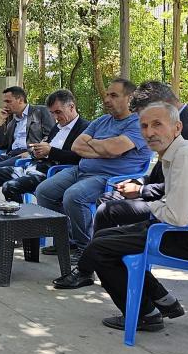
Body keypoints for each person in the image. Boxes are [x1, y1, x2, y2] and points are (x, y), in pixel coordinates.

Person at [77, 102, 188, 332]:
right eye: (144, 126)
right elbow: (172, 207)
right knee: (103, 237)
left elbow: (177, 217)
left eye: (157, 124)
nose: (149, 132)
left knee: (100, 250)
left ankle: (145, 315)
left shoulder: (186, 157)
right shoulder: (175, 153)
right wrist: (156, 206)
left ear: (177, 127)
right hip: (185, 230)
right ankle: (163, 299)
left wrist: (151, 205)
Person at [35, 78, 153, 289]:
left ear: (130, 98)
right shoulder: (102, 120)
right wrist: (105, 148)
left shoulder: (138, 124)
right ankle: (69, 239)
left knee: (73, 196)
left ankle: (85, 250)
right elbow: (78, 146)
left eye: (113, 95)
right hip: (81, 169)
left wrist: (98, 146)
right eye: (107, 94)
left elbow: (114, 149)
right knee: (44, 191)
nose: (107, 99)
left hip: (110, 177)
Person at [93, 81, 188, 234]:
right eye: (144, 124)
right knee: (106, 203)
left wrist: (141, 190)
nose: (148, 132)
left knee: (107, 211)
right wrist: (140, 181)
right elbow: (162, 172)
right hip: (171, 202)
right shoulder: (181, 121)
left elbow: (184, 185)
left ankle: (109, 243)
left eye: (154, 122)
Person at [0, 89, 88, 227]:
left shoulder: (84, 128)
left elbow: (80, 156)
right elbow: (1, 145)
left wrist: (46, 151)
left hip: (51, 171)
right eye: (53, 113)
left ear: (71, 106)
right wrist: (1, 124)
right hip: (27, 161)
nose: (55, 117)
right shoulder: (18, 121)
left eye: (58, 112)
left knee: (8, 185)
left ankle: (16, 227)